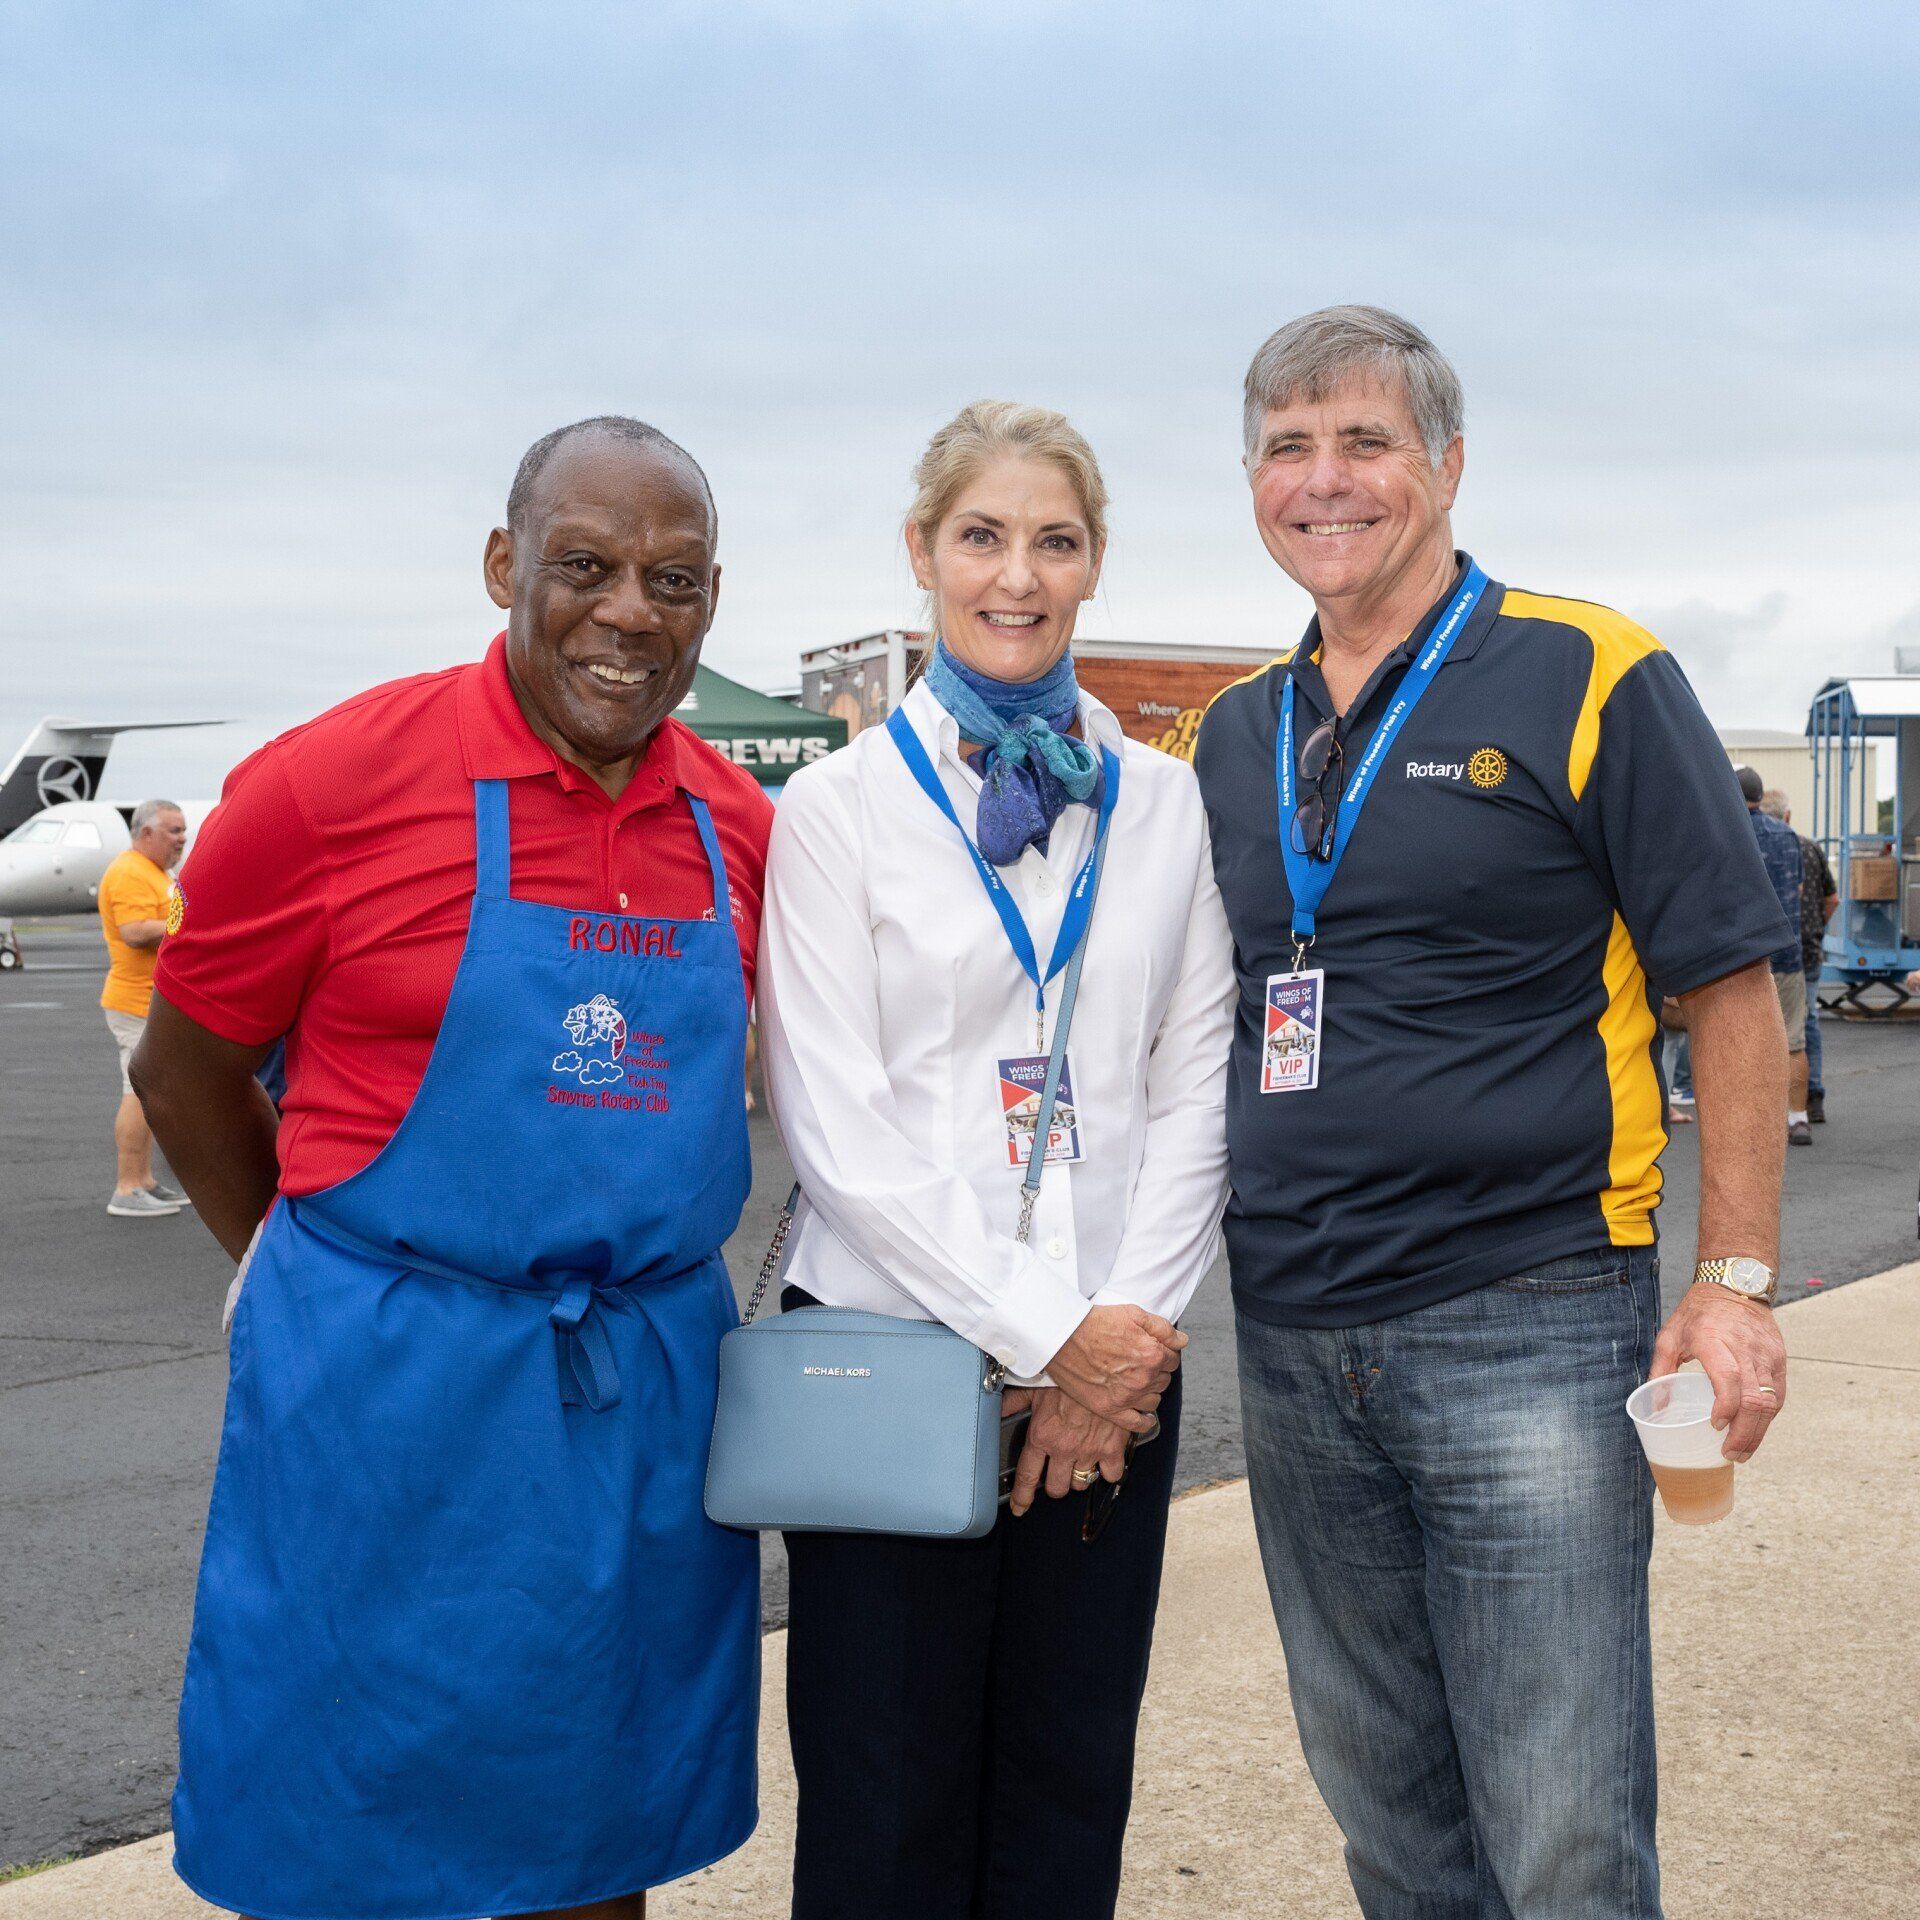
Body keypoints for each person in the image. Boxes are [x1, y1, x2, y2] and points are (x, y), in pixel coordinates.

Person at [1195, 305, 1794, 1920]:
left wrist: (1733, 1287)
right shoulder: (1232, 736)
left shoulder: (1586, 670)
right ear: (1252, 482)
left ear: (1449, 464)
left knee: (1564, 1841)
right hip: (1297, 1334)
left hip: (1527, 1312)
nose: (1327, 481)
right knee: (1394, 1829)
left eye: (1366, 442)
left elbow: (1732, 991)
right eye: (1288, 449)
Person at [132, 417, 772, 1920]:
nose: (629, 613)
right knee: (359, 1821)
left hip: (639, 1401)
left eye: (672, 582)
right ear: (503, 566)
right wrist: (307, 1279)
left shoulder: (739, 827)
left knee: (595, 1833)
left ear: (711, 602)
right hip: (387, 1396)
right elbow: (185, 1072)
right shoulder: (323, 787)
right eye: (586, 567)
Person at [757, 400, 1234, 1920]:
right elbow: (840, 1134)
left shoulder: (1161, 803)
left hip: (1116, 1369)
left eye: (1054, 540)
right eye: (982, 537)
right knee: (884, 1803)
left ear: (1094, 565)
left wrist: (1121, 1347)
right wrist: (1047, 1340)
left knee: (1067, 1785)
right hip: (899, 1365)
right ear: (922, 553)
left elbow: (1194, 1083)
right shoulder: (832, 813)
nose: (1016, 576)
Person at [97, 797, 189, 1217]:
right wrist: (187, 924)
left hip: (153, 1003)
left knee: (149, 1093)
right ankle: (127, 1188)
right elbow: (134, 931)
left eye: (183, 830)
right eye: (174, 831)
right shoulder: (130, 871)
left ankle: (145, 1180)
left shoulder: (155, 872)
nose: (182, 838)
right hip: (135, 1002)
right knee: (137, 1091)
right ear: (146, 833)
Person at [1738, 766, 1811, 1143]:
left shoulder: (1727, 833)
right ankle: (1798, 1118)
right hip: (1786, 955)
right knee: (1793, 1040)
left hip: (1739, 960)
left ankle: (1754, 1124)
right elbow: (1796, 889)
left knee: (1743, 1043)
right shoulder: (1788, 837)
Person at [1760, 788, 1836, 1121]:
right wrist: (1818, 925)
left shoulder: (1752, 842)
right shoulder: (1809, 847)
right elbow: (1831, 899)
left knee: (1764, 1028)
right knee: (1806, 1026)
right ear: (1787, 816)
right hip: (1808, 949)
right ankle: (1811, 1098)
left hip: (1770, 954)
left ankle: (1774, 1103)